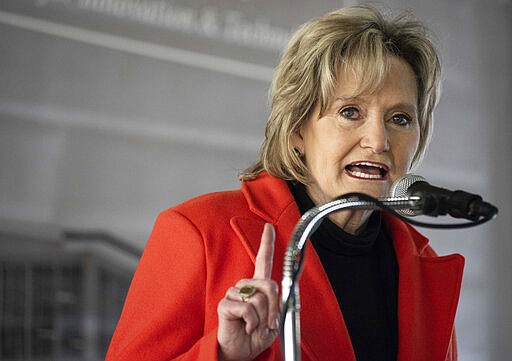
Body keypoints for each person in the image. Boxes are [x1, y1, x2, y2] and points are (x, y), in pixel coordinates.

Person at [105, 5, 464, 361]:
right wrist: (224, 355)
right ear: (296, 131)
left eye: (399, 118)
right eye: (350, 112)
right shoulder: (200, 232)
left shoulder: (424, 268)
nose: (379, 140)